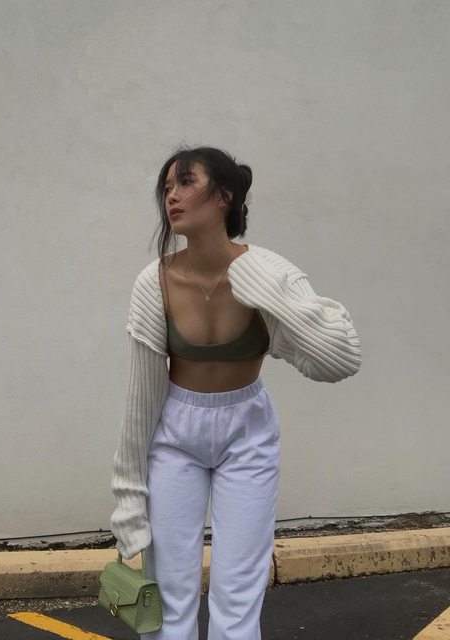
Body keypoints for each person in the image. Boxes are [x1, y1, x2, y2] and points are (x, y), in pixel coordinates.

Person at [109, 145, 362, 640]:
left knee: (239, 589)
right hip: (174, 433)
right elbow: (140, 399)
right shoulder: (154, 281)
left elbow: (340, 360)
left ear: (224, 195)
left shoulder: (270, 272)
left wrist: (271, 293)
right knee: (169, 591)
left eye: (186, 182)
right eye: (167, 187)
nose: (172, 196)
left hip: (247, 432)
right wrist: (128, 497)